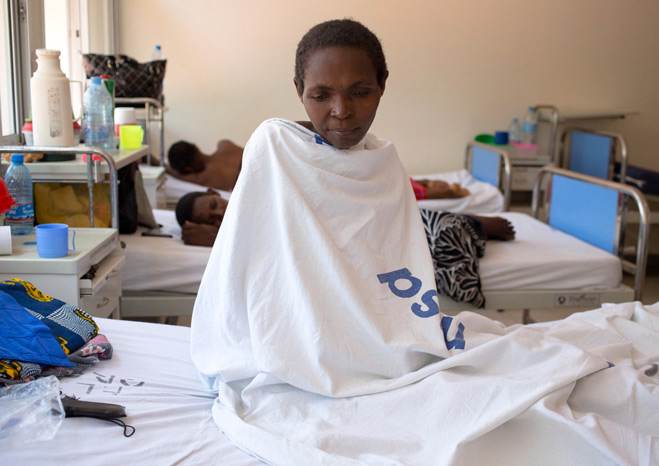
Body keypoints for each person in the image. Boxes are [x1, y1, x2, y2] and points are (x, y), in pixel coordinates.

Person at [189, 20, 538, 463]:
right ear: (299, 90)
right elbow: (254, 252)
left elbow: (389, 253)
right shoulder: (274, 145)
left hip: (377, 328)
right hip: (298, 330)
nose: (342, 110)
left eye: (360, 91)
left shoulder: (383, 161)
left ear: (382, 86)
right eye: (321, 95)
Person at [176, 186, 513, 247]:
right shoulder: (231, 235)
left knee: (401, 221)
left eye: (214, 208)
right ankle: (470, 225)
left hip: (347, 218)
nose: (219, 217)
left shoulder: (252, 193)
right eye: (212, 221)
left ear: (214, 194)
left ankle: (474, 223)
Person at [166, 139, 244, 191]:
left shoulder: (206, 177)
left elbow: (169, 170)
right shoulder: (225, 144)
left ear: (189, 169)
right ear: (195, 147)